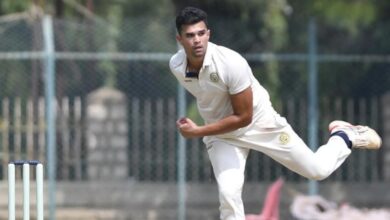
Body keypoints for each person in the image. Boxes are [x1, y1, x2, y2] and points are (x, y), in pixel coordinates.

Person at [169, 6, 382, 220]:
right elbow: (209, 96)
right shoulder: (177, 65)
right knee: (228, 195)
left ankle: (344, 136)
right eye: (190, 35)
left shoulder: (231, 63)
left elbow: (244, 117)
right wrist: (206, 128)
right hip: (223, 135)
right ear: (180, 39)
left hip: (260, 124)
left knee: (317, 170)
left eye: (200, 33)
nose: (197, 40)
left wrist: (198, 131)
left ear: (208, 34)